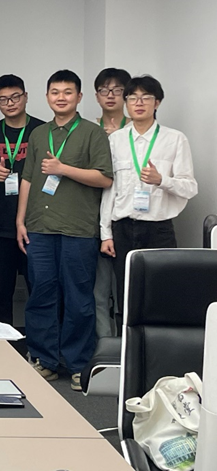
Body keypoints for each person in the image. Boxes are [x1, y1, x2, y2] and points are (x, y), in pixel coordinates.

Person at [16, 70, 113, 392]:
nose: (61, 97)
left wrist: (63, 169)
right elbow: (28, 178)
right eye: (55, 92)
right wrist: (20, 220)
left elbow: (105, 178)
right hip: (40, 227)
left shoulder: (92, 133)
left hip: (78, 228)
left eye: (68, 92)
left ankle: (78, 364)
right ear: (47, 97)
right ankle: (43, 359)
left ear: (79, 97)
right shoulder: (39, 134)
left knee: (78, 299)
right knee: (41, 294)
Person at [100, 75, 197, 330]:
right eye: (132, 98)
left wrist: (161, 180)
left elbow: (190, 187)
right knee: (126, 296)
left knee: (162, 295)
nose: (139, 103)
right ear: (126, 103)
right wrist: (105, 233)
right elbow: (109, 190)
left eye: (146, 97)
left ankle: (159, 349)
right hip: (122, 228)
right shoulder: (116, 140)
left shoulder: (175, 139)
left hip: (159, 229)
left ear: (158, 103)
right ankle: (128, 348)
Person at [0, 75, 44, 325]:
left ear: (25, 96)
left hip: (38, 225)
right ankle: (1, 345)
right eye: (3, 99)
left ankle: (40, 344)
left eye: (15, 97)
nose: (10, 103)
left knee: (41, 291)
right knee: (0, 293)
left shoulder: (42, 131)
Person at [92, 67, 131, 338]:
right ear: (96, 95)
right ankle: (105, 349)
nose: (110, 95)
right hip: (94, 217)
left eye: (117, 90)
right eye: (104, 90)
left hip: (128, 218)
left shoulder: (138, 130)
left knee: (129, 292)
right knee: (99, 291)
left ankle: (130, 348)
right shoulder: (89, 130)